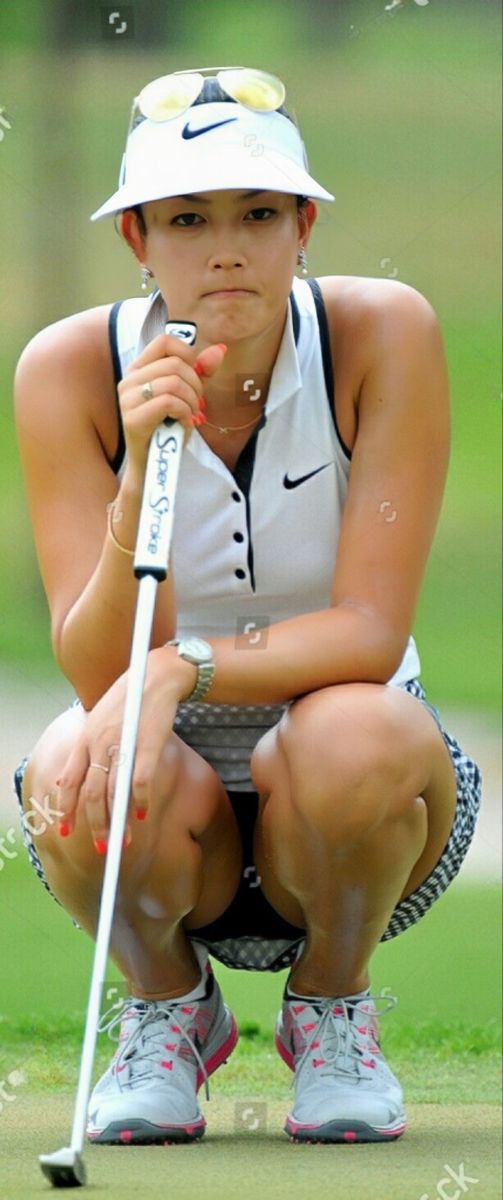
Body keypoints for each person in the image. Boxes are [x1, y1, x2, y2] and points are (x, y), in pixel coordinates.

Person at [13, 66, 481, 1147]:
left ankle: (331, 1008)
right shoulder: (66, 371)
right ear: (137, 239)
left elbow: (366, 636)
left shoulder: (383, 334)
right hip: (168, 795)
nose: (225, 249)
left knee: (353, 732)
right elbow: (99, 670)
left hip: (359, 799)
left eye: (259, 214)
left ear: (303, 224)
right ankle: (169, 1010)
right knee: (58, 769)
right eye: (186, 218)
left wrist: (183, 665)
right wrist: (139, 468)